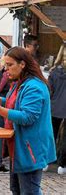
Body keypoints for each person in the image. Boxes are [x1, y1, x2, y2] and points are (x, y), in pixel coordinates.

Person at [0, 46, 56, 194]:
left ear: (22, 64)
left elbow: (27, 117)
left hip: (30, 147)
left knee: (28, 191)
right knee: (16, 189)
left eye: (10, 65)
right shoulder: (21, 83)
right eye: (6, 65)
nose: (6, 69)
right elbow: (14, 104)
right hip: (19, 146)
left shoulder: (34, 86)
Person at [48, 45, 66, 175]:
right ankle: (63, 164)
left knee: (50, 135)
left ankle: (47, 161)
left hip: (54, 107)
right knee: (65, 138)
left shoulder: (53, 72)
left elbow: (50, 91)